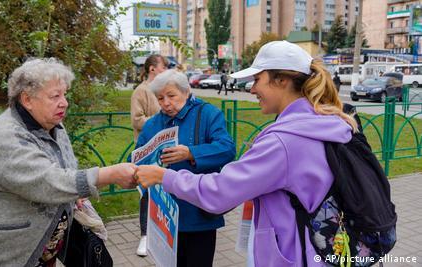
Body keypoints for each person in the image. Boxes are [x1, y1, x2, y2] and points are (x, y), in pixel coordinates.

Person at [135, 41, 358, 267]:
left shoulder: (282, 141)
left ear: (281, 80)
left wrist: (164, 176)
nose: (251, 89)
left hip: (297, 252)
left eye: (257, 80)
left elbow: (220, 191)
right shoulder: (323, 122)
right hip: (320, 245)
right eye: (160, 98)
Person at [0, 58, 137, 267]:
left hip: (39, 246)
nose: (64, 102)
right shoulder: (4, 137)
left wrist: (74, 198)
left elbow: (66, 168)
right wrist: (110, 174)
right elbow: (48, 182)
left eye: (64, 94)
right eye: (55, 96)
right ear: (27, 99)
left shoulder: (53, 125)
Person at [136, 69, 236, 266]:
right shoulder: (153, 124)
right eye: (160, 98)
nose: (166, 103)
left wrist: (191, 153)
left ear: (186, 91)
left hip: (198, 213)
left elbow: (227, 149)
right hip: (164, 212)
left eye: (171, 96)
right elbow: (139, 155)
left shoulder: (208, 114)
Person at [130, 54, 168, 256]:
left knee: (166, 190)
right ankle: (145, 235)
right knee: (147, 191)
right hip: (147, 150)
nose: (166, 69)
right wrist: (160, 122)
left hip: (167, 151)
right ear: (152, 69)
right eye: (164, 66)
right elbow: (137, 120)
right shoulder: (141, 91)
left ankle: (163, 230)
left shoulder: (164, 89)